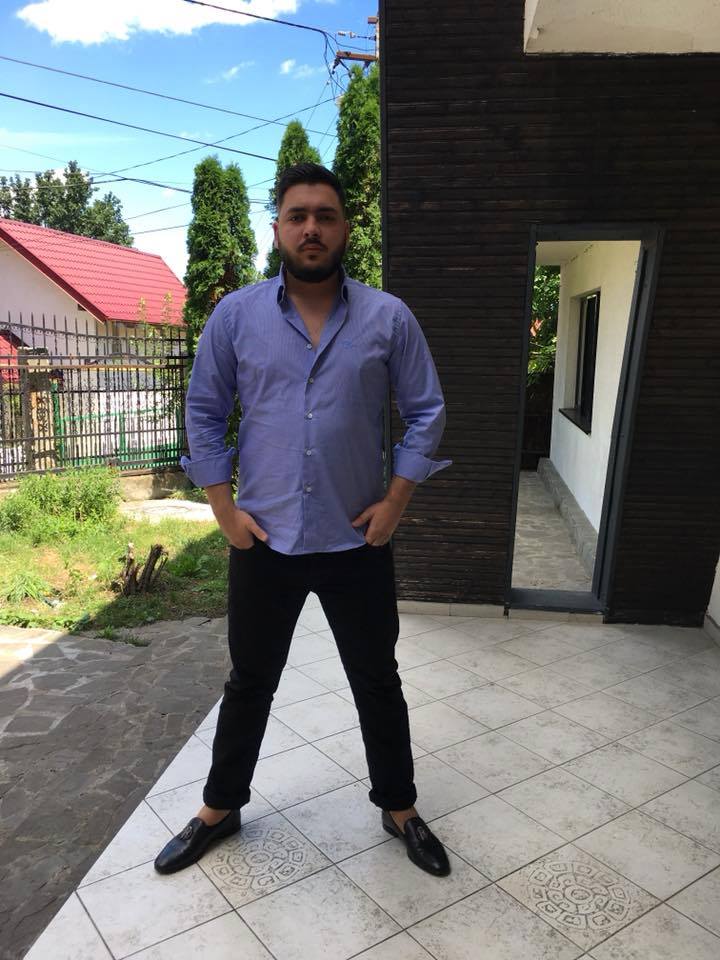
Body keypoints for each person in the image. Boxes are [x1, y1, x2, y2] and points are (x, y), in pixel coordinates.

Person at [154, 162, 452, 878]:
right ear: (278, 228)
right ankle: (219, 808)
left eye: (325, 214)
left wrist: (396, 502)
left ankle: (400, 806)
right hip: (265, 538)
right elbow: (203, 410)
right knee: (249, 680)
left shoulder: (388, 318)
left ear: (346, 227)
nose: (311, 227)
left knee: (377, 679)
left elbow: (426, 412)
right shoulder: (236, 317)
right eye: (298, 215)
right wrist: (222, 508)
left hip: (357, 539)